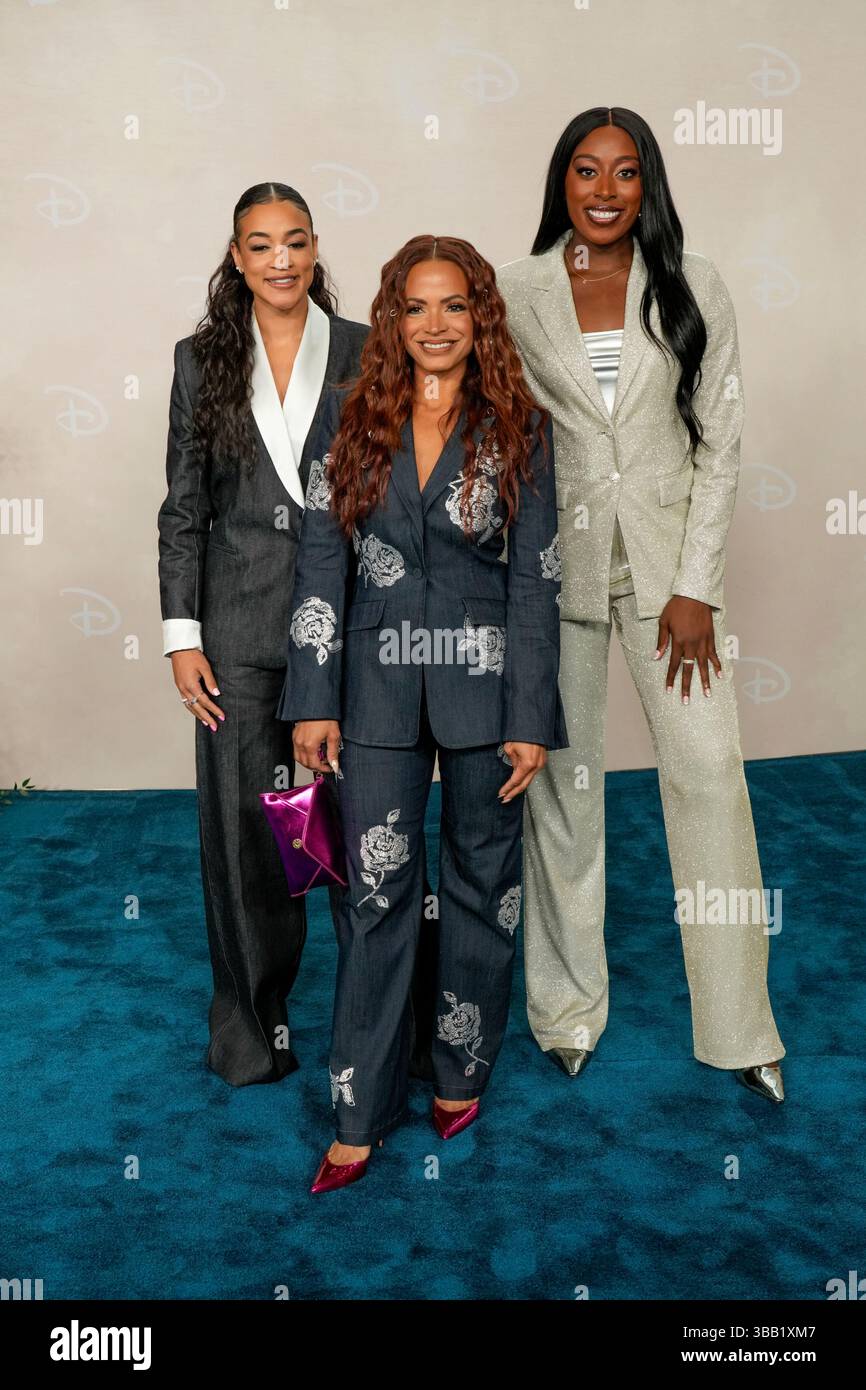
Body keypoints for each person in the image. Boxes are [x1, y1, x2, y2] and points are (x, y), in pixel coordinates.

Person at [497, 108, 786, 1104]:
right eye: (586, 170)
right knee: (563, 800)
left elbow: (721, 437)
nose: (605, 189)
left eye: (624, 172)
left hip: (670, 580)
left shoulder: (691, 283)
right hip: (551, 576)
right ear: (561, 180)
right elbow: (494, 430)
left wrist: (694, 586)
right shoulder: (516, 289)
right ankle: (565, 1013)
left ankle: (740, 1028)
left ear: (646, 182)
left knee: (706, 775)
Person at [280, 235, 568, 1192]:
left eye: (453, 307)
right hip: (373, 692)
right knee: (375, 898)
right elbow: (322, 560)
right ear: (393, 319)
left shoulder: (519, 423)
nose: (434, 326)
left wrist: (531, 711)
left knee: (486, 888)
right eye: (415, 307)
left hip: (489, 694)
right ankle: (357, 1112)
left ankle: (460, 1069)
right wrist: (311, 698)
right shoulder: (348, 416)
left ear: (478, 316)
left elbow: (536, 579)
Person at [157, 183, 367, 1086]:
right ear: (235, 258)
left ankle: (376, 1027)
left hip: (353, 628)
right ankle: (251, 1031)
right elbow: (184, 508)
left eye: (294, 241)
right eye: (259, 244)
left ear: (315, 249)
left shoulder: (365, 350)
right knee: (246, 840)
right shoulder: (200, 360)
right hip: (235, 632)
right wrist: (180, 634)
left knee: (362, 831)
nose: (280, 259)